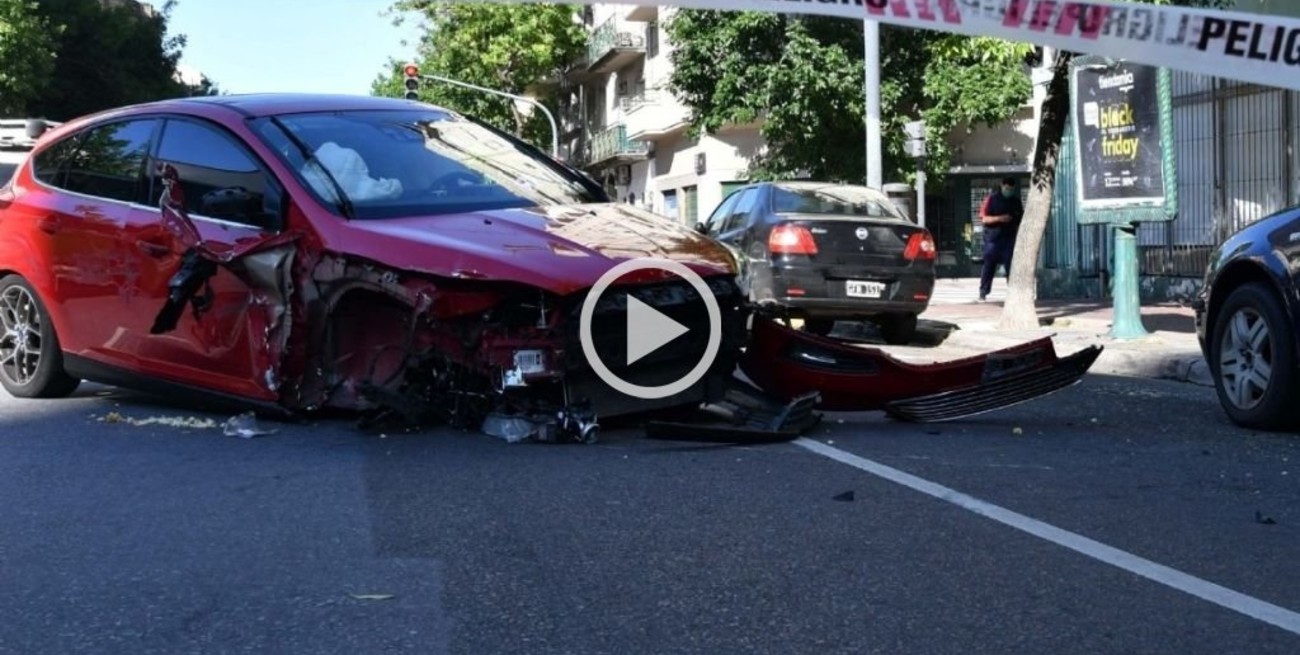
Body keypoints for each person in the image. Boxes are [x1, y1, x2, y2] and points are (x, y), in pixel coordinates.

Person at [978, 177, 1023, 302]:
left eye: (1011, 189)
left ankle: (1013, 293)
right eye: (1006, 188)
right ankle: (983, 292)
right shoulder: (991, 199)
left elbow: (1020, 221)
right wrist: (1000, 218)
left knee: (1011, 267)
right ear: (1002, 186)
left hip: (1009, 238)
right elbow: (984, 219)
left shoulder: (1016, 202)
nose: (1008, 191)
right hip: (992, 238)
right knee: (989, 265)